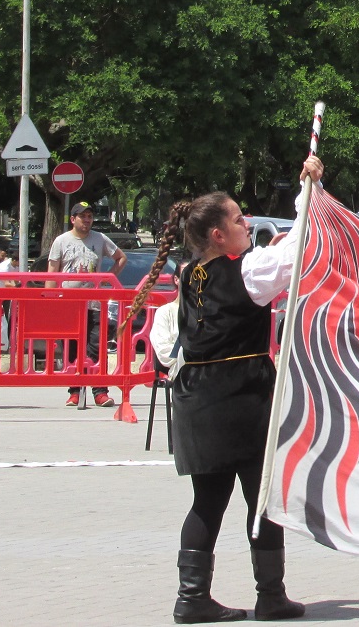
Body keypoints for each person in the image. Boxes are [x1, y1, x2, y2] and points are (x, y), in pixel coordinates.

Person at [121, 154, 322, 623]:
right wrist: (307, 191)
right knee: (262, 500)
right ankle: (269, 596)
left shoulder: (189, 272)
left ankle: (191, 599)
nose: (245, 221)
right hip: (241, 400)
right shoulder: (246, 272)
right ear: (218, 234)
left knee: (208, 503)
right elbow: (298, 249)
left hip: (197, 400)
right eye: (236, 218)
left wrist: (306, 191)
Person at [48, 201, 126, 408]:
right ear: (73, 219)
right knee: (71, 347)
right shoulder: (61, 241)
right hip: (68, 303)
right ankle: (75, 391)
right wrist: (50, 299)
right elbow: (52, 272)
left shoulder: (100, 239)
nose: (87, 220)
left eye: (90, 216)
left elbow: (120, 258)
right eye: (83, 216)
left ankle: (100, 392)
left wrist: (108, 279)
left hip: (94, 303)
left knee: (96, 346)